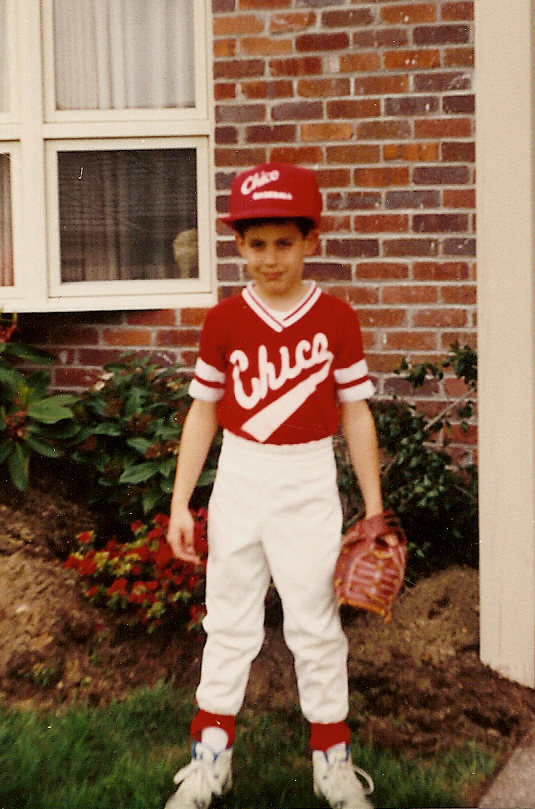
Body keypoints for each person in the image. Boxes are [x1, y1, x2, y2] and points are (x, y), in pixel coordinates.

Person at [165, 162, 387, 809]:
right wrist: (181, 500)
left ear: (310, 240)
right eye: (256, 243)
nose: (270, 258)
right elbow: (204, 410)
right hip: (241, 472)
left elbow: (355, 412)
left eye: (284, 242)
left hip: (308, 474)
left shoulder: (337, 319)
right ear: (238, 245)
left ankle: (333, 760)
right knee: (229, 619)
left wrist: (373, 509)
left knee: (316, 624)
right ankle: (211, 757)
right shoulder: (224, 321)